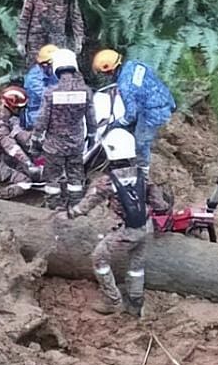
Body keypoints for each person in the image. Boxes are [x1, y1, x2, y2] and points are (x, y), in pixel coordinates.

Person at [59, 128, 153, 317]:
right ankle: (135, 302)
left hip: (126, 232)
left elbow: (87, 205)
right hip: (146, 227)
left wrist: (69, 214)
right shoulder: (143, 175)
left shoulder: (107, 182)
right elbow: (159, 202)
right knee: (136, 265)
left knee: (99, 258)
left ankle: (113, 300)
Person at [91, 49, 176, 179]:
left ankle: (143, 174)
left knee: (140, 143)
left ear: (110, 71)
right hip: (166, 100)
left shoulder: (125, 85)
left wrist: (114, 124)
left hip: (152, 112)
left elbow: (131, 115)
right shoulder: (135, 64)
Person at [33, 48, 96, 210]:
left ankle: (53, 206)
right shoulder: (86, 92)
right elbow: (91, 118)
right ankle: (75, 206)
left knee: (52, 178)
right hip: (76, 143)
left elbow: (42, 119)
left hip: (54, 146)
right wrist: (91, 135)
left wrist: (36, 139)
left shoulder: (51, 93)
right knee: (75, 176)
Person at [23, 44, 59, 127]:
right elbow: (47, 97)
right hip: (37, 116)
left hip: (52, 112)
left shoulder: (53, 73)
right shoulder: (33, 78)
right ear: (45, 64)